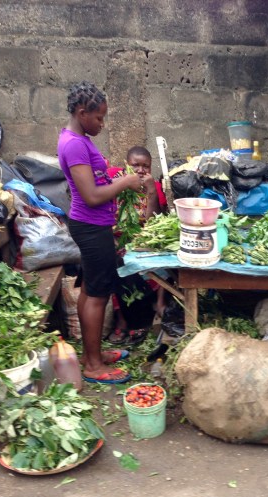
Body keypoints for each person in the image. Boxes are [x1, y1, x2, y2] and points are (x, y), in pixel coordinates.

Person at [58, 81, 154, 384]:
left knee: (90, 292)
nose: (102, 124)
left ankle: (91, 354)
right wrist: (125, 183)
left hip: (92, 225)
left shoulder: (79, 139)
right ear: (82, 112)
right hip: (91, 225)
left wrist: (114, 177)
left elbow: (96, 180)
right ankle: (94, 366)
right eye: (99, 118)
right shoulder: (74, 143)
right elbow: (91, 195)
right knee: (98, 295)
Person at [107, 146, 167, 345]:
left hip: (144, 240)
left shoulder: (155, 187)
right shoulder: (117, 183)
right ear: (126, 165)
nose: (141, 170)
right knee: (116, 263)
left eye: (146, 166)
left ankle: (155, 308)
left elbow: (152, 222)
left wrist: (150, 191)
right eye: (136, 166)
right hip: (118, 240)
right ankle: (123, 320)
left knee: (152, 259)